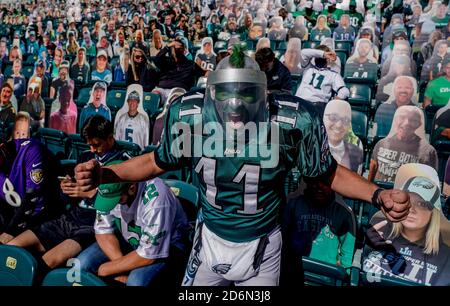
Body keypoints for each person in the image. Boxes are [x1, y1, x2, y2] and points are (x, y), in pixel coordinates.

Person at [75, 46, 412, 286]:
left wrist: (377, 194)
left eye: (247, 96)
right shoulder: (190, 116)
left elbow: (325, 173)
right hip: (209, 239)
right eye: (226, 97)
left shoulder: (292, 119)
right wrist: (106, 173)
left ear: (265, 94)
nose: (235, 107)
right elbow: (154, 161)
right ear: (211, 95)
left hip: (263, 243)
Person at [7, 115, 129, 268]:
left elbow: (123, 202)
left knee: (46, 262)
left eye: (96, 145)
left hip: (92, 225)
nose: (92, 149)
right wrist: (67, 188)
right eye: (89, 145)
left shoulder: (124, 163)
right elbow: (68, 198)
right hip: (69, 218)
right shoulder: (86, 155)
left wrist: (87, 193)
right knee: (11, 248)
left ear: (110, 138)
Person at [77, 159, 189, 286]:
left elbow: (149, 254)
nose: (114, 203)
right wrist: (119, 267)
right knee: (82, 263)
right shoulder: (108, 186)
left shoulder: (157, 199)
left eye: (117, 199)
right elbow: (103, 232)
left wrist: (109, 268)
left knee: (135, 282)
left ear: (131, 187)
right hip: (131, 240)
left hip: (166, 248)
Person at [363, 163, 450, 286]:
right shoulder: (378, 234)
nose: (412, 209)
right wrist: (365, 246)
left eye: (422, 204)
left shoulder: (445, 256)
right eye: (407, 201)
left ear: (433, 212)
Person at [0, 112, 60, 244]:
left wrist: (10, 231)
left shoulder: (31, 150)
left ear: (2, 147)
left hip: (41, 214)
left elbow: (33, 198)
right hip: (14, 211)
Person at [282, 175, 356, 280]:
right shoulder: (294, 204)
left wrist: (341, 271)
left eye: (325, 182)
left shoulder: (343, 213)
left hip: (325, 278)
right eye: (315, 181)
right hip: (293, 273)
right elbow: (283, 238)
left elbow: (346, 258)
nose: (319, 186)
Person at [369, 106, 438, 183]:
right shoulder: (381, 144)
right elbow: (372, 171)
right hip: (381, 193)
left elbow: (430, 183)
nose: (406, 123)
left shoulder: (428, 151)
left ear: (419, 124)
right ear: (395, 120)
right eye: (402, 117)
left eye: (413, 120)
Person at [295, 45, 349, 116]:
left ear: (328, 59)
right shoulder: (308, 68)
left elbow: (344, 91)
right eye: (318, 56)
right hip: (299, 103)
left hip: (317, 106)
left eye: (323, 57)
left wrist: (334, 101)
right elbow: (303, 53)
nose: (320, 59)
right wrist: (323, 54)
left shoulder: (333, 75)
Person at [323, 100, 363, 174]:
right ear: (323, 118)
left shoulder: (356, 150)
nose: (339, 125)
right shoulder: (313, 143)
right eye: (333, 118)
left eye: (345, 120)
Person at [114, 85, 149, 150]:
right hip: (123, 153)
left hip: (137, 155)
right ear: (127, 102)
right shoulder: (121, 118)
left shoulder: (143, 119)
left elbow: (146, 142)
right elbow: (117, 138)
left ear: (138, 103)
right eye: (130, 100)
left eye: (135, 100)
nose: (132, 103)